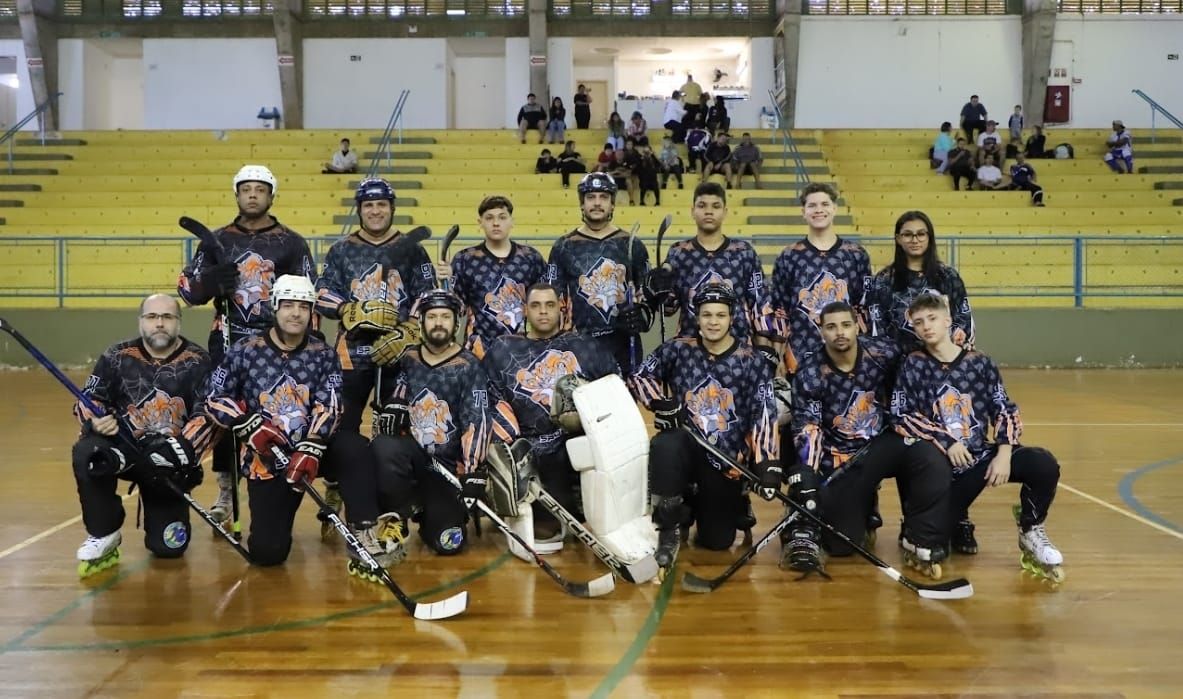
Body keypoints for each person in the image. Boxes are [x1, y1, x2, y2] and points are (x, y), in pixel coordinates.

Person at [177, 164, 315, 528]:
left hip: (275, 345)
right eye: (246, 189)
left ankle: (271, 486)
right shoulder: (216, 240)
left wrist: (311, 343)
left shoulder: (292, 242)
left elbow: (308, 295)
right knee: (225, 414)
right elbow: (187, 291)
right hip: (228, 337)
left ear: (271, 195)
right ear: (236, 194)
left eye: (260, 189)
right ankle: (226, 489)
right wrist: (210, 282)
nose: (253, 194)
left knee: (272, 415)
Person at [893, 294, 1064, 582]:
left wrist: (1004, 455)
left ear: (947, 320)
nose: (926, 327)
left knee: (1043, 463)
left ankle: (1030, 529)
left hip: (980, 458)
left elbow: (1004, 409)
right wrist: (946, 441)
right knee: (933, 543)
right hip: (941, 468)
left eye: (932, 319)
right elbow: (901, 415)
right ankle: (918, 532)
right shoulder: (913, 364)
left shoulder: (979, 362)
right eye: (918, 323)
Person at [789, 301, 952, 576]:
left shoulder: (883, 352)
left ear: (857, 326)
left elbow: (924, 354)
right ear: (821, 332)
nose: (839, 332)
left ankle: (920, 536)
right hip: (842, 457)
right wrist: (809, 471)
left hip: (883, 443)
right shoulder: (810, 371)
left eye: (845, 325)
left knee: (927, 453)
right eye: (831, 327)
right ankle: (862, 504)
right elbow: (808, 426)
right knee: (841, 545)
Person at [314, 178, 434, 549]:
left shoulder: (411, 250)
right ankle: (335, 484)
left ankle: (390, 513)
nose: (376, 211)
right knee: (339, 429)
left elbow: (427, 295)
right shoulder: (342, 250)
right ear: (360, 209)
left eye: (382, 204)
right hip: (351, 354)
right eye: (368, 205)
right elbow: (321, 294)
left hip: (396, 353)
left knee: (391, 434)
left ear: (391, 208)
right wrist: (348, 309)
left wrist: (409, 330)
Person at [631, 283, 779, 570]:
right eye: (707, 315)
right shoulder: (677, 349)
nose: (713, 322)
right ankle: (669, 526)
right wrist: (661, 403)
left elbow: (764, 412)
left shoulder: (752, 361)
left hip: (724, 462)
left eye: (720, 315)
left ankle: (727, 503)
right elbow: (639, 376)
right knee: (665, 443)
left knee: (717, 541)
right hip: (686, 449)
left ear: (732, 318)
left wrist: (766, 464)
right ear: (696, 318)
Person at [72, 294, 216, 577]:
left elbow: (208, 416)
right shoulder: (116, 356)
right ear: (141, 322)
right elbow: (87, 400)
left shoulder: (199, 361)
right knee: (87, 452)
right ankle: (104, 531)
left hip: (168, 462)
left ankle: (159, 513)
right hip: (122, 450)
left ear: (178, 322)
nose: (159, 324)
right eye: (152, 317)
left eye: (167, 317)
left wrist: (179, 450)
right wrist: (97, 421)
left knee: (168, 548)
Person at [205, 275, 343, 567]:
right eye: (288, 305)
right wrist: (244, 422)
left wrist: (313, 444)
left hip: (310, 454)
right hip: (265, 460)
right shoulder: (245, 350)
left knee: (355, 449)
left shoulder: (324, 354)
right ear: (275, 308)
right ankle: (280, 517)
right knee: (268, 553)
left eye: (303, 307)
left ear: (311, 313)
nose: (296, 313)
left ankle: (365, 529)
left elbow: (331, 403)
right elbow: (214, 396)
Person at [483, 283, 618, 549]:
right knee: (551, 525)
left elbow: (615, 391)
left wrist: (587, 415)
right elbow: (488, 399)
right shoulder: (502, 349)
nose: (543, 312)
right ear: (525, 311)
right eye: (535, 306)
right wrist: (510, 447)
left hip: (573, 446)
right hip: (527, 449)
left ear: (561, 309)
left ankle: (583, 499)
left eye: (550, 305)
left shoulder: (586, 346)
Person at [370, 290, 492, 560]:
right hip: (413, 456)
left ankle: (428, 513)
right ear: (422, 322)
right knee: (383, 447)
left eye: (445, 317)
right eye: (432, 316)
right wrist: (395, 405)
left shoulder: (468, 365)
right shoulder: (409, 359)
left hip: (446, 468)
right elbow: (399, 392)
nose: (439, 322)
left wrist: (473, 470)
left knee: (449, 544)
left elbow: (477, 418)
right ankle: (397, 515)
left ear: (455, 323)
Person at [545, 172, 654, 373]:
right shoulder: (563, 246)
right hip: (578, 345)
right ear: (581, 203)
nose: (597, 203)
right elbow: (553, 297)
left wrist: (641, 313)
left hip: (624, 343)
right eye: (590, 197)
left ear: (613, 204)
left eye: (603, 197)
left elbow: (646, 295)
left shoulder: (632, 245)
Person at [651, 182, 776, 346]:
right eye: (702, 206)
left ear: (724, 212)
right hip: (689, 350)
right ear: (692, 211)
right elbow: (668, 309)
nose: (708, 211)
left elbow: (760, 304)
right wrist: (658, 289)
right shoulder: (678, 252)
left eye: (715, 206)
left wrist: (764, 350)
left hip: (738, 350)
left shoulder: (744, 252)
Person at [770, 182, 871, 376]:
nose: (819, 210)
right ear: (803, 211)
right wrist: (778, 356)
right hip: (800, 355)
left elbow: (863, 308)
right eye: (812, 205)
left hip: (847, 356)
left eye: (825, 204)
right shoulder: (790, 255)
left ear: (835, 208)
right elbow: (779, 311)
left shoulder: (856, 254)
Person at [446, 195, 547, 359]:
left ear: (511, 221)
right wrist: (445, 281)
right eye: (489, 218)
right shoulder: (464, 259)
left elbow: (546, 302)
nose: (496, 223)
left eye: (502, 217)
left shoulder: (531, 258)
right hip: (479, 350)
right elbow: (455, 307)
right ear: (480, 222)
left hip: (525, 349)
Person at [867, 211, 974, 354]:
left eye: (921, 234)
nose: (915, 240)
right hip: (899, 364)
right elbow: (877, 327)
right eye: (907, 234)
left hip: (943, 361)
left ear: (929, 237)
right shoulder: (884, 280)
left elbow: (963, 317)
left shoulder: (948, 276)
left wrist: (955, 342)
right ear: (898, 238)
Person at [635, 142, 663, 206]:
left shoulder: (653, 158)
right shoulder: (641, 159)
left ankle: (657, 201)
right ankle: (641, 201)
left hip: (653, 179)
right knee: (643, 186)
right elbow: (637, 167)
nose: (647, 153)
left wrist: (653, 155)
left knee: (656, 187)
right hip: (644, 180)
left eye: (648, 151)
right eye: (645, 151)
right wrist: (641, 158)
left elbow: (659, 164)